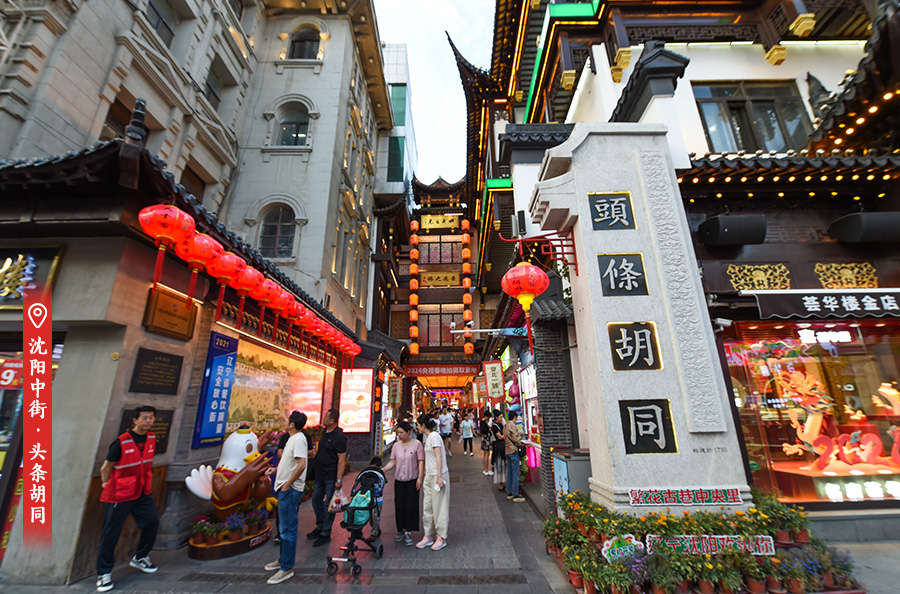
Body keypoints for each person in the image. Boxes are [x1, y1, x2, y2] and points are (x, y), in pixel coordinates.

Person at [96, 406, 159, 593]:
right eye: (144, 418)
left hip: (142, 491)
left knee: (152, 522)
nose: (148, 421)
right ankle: (103, 573)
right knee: (111, 532)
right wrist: (106, 483)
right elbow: (106, 467)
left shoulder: (152, 438)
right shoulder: (121, 442)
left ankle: (140, 557)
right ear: (135, 420)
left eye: (151, 418)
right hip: (120, 493)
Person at [264, 411, 309, 585]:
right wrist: (276, 470)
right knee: (283, 528)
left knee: (288, 529)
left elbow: (301, 464)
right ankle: (282, 560)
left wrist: (288, 483)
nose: (285, 421)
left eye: (288, 420)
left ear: (292, 424)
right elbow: (290, 463)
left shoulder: (298, 439)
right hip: (285, 489)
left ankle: (287, 568)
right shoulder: (292, 438)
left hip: (289, 491)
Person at [307, 408, 347, 547]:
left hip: (331, 475)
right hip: (319, 474)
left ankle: (326, 532)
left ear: (332, 420)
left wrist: (339, 480)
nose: (323, 418)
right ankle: (320, 525)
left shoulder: (339, 437)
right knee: (316, 500)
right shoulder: (325, 432)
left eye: (326, 417)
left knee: (328, 505)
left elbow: (341, 460)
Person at [382, 421, 424, 546]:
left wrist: (420, 477)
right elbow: (393, 461)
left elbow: (421, 461)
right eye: (398, 433)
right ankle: (400, 529)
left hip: (412, 479)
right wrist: (383, 469)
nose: (399, 435)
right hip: (399, 480)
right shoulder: (396, 446)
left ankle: (408, 531)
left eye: (401, 433)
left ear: (408, 432)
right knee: (399, 505)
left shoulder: (417, 444)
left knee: (411, 505)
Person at [415, 414, 449, 551]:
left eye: (418, 424)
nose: (417, 427)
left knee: (439, 507)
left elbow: (439, 456)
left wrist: (439, 477)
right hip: (429, 475)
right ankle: (428, 535)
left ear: (423, 425)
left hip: (437, 475)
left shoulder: (434, 436)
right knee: (427, 506)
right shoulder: (428, 437)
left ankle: (441, 537)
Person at [503, 410, 526, 503]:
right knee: (516, 473)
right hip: (513, 451)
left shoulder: (505, 425)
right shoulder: (512, 425)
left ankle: (510, 492)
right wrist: (520, 437)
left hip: (507, 451)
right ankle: (516, 494)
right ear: (515, 417)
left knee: (510, 472)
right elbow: (516, 439)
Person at [490, 409, 506, 491]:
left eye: (502, 417)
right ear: (496, 417)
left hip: (503, 446)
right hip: (499, 448)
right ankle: (500, 485)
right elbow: (500, 437)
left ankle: (503, 483)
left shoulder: (502, 425)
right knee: (500, 466)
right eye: (500, 417)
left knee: (503, 465)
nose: (501, 419)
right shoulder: (494, 426)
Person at [479, 410, 493, 475]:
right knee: (486, 454)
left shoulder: (484, 422)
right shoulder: (483, 422)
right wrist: (489, 429)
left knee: (487, 454)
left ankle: (486, 469)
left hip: (486, 439)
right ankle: (485, 469)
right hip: (486, 439)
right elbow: (484, 430)